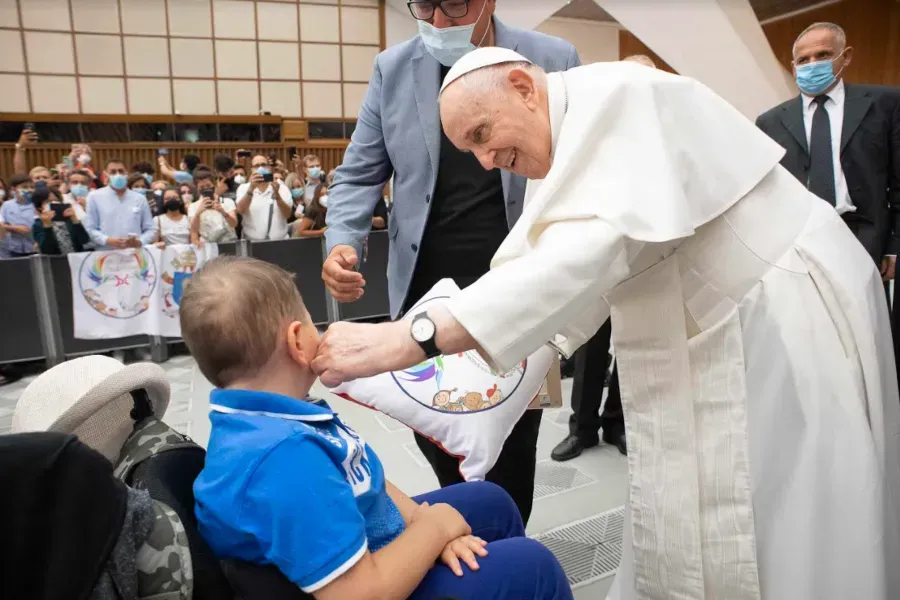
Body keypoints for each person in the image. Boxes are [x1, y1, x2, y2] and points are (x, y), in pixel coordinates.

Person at [311, 48, 900, 600]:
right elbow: (554, 269)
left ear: (523, 89)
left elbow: (587, 255)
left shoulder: (625, 100)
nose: (486, 162)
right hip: (711, 321)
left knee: (790, 506)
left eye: (483, 136)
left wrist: (409, 338)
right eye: (470, 151)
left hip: (778, 314)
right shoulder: (562, 142)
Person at [321, 0, 579, 525]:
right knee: (435, 429)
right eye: (423, 5)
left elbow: (581, 165)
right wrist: (342, 241)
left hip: (517, 288)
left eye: (455, 4)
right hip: (422, 289)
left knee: (510, 437)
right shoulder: (392, 70)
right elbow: (357, 174)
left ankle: (504, 541)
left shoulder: (551, 57)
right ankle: (469, 531)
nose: (438, 22)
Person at [180, 255, 571, 600]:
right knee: (535, 566)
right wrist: (434, 532)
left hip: (369, 542)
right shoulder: (283, 461)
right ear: (299, 341)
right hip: (369, 581)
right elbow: (359, 593)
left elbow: (366, 475)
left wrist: (421, 520)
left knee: (491, 500)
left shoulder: (273, 417)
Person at [755, 21, 900, 379]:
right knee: (807, 333)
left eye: (822, 55)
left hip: (861, 235)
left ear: (845, 56)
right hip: (799, 240)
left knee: (862, 336)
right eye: (802, 59)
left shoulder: (884, 104)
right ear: (792, 66)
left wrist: (893, 244)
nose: (811, 65)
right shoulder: (771, 121)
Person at [551, 53, 664, 462]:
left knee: (630, 344)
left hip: (646, 255)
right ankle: (581, 428)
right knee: (590, 344)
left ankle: (616, 421)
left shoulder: (663, 131)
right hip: (597, 255)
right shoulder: (595, 127)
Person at [85, 158, 155, 250]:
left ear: (126, 173)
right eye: (113, 172)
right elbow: (90, 229)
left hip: (134, 253)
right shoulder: (94, 197)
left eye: (121, 171)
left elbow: (150, 229)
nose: (118, 175)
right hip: (106, 253)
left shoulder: (139, 198)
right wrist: (108, 240)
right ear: (105, 174)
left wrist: (140, 241)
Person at [235, 154, 292, 241]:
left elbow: (287, 214)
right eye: (256, 166)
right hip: (252, 243)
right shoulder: (243, 188)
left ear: (269, 167)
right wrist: (251, 189)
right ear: (251, 170)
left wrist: (277, 196)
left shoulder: (281, 187)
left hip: (281, 241)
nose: (260, 168)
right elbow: (240, 210)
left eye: (263, 165)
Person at [32, 186, 89, 255]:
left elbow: (84, 240)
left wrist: (75, 220)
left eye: (56, 202)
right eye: (48, 202)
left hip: (75, 260)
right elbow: (47, 250)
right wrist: (47, 226)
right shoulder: (38, 224)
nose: (54, 205)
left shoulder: (69, 220)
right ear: (39, 208)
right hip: (55, 262)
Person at [189, 169, 238, 245]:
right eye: (202, 187)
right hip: (207, 246)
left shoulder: (227, 201)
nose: (206, 188)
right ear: (197, 188)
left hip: (229, 243)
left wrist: (223, 212)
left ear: (214, 185)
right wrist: (198, 212)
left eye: (208, 185)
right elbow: (194, 230)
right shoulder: (193, 206)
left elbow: (234, 224)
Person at [0, 173, 37, 257]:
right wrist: (14, 228)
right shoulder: (7, 205)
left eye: (31, 187)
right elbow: (1, 223)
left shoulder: (36, 204)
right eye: (24, 187)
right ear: (14, 189)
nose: (29, 190)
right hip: (14, 248)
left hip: (34, 247)